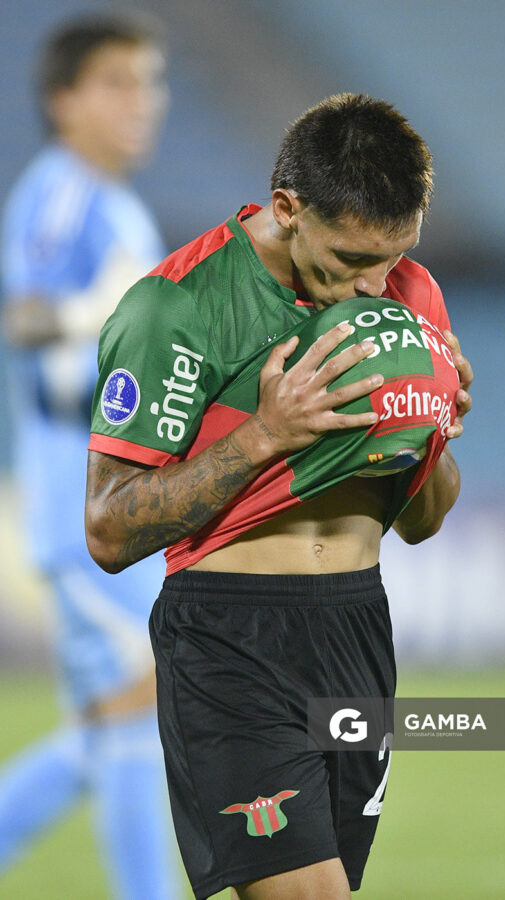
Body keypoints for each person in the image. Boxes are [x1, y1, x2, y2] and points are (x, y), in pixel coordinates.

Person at [85, 93, 473, 900]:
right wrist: (263, 434)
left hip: (357, 629)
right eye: (347, 260)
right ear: (288, 208)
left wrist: (430, 427)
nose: (373, 291)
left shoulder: (412, 292)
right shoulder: (177, 306)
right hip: (231, 640)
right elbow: (109, 531)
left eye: (390, 259)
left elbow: (425, 522)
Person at [0, 14, 184, 899]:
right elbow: (26, 322)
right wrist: (99, 314)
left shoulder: (117, 204)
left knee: (121, 712)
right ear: (62, 100)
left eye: (150, 83)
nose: (141, 103)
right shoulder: (63, 193)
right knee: (136, 711)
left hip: (118, 504)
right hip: (83, 509)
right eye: (118, 83)